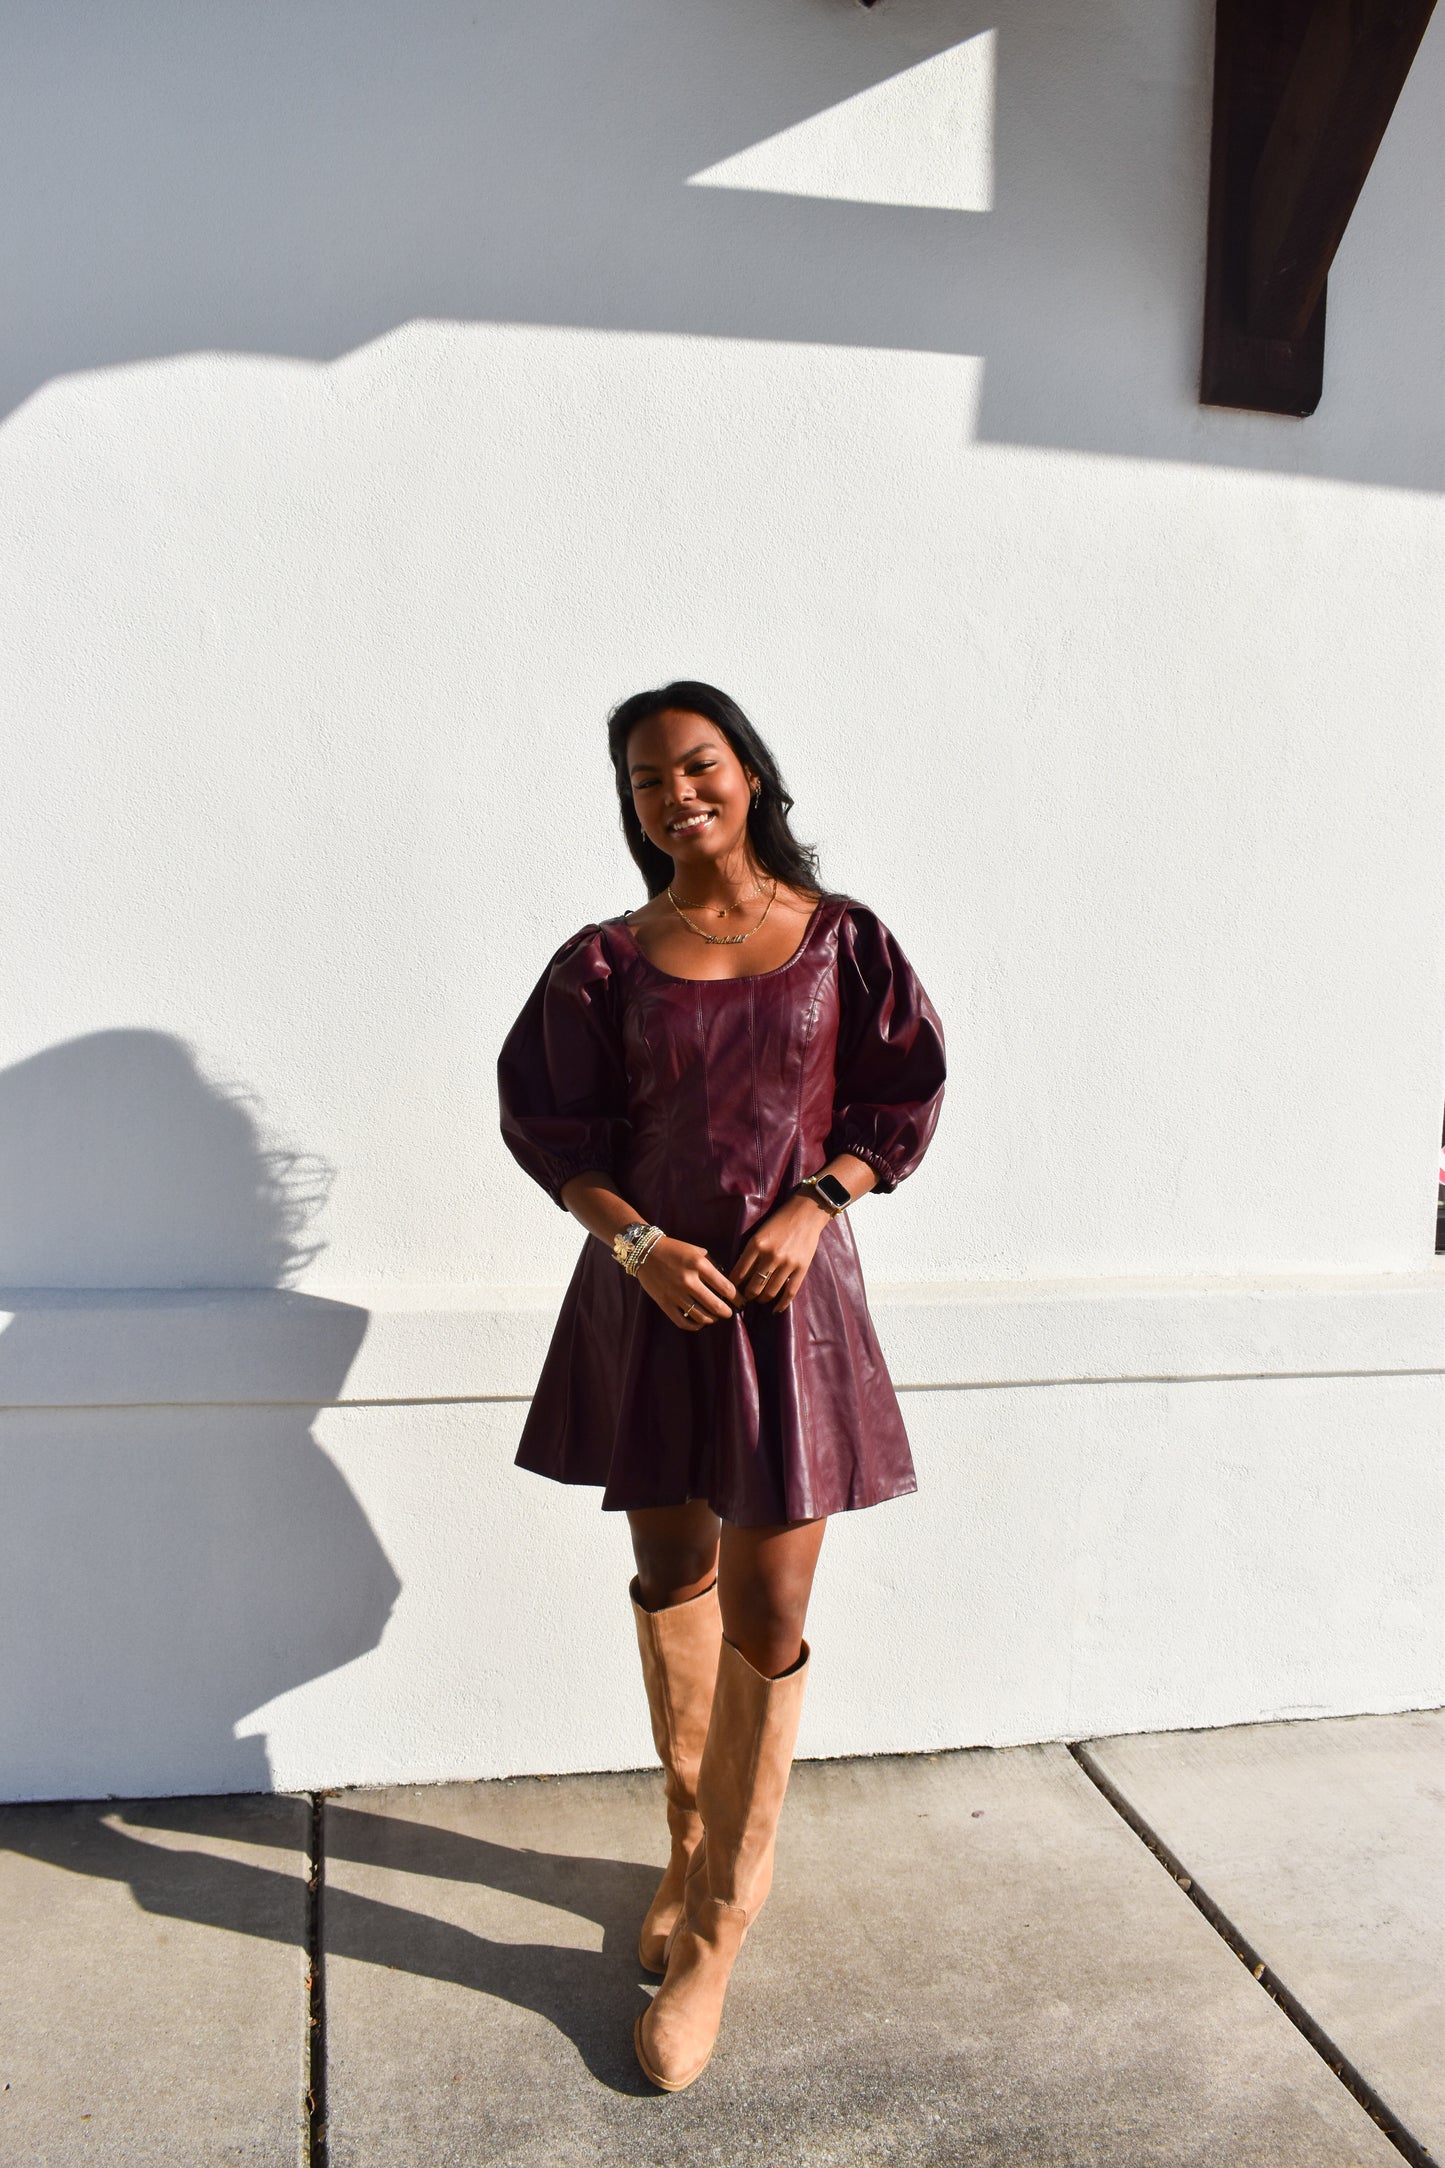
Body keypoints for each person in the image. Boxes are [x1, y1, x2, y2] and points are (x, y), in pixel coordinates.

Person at [497, 681, 946, 2092]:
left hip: (788, 1313)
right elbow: (552, 1129)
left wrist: (816, 1203)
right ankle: (688, 1848)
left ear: (748, 773)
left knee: (771, 1611)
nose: (675, 791)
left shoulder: (839, 941)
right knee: (671, 1574)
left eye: (697, 764)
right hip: (652, 1304)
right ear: (630, 805)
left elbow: (898, 1098)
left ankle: (717, 1933)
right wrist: (632, 1243)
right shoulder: (601, 963)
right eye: (645, 779)